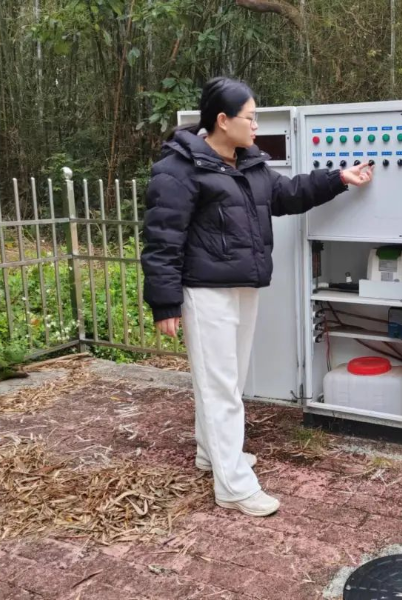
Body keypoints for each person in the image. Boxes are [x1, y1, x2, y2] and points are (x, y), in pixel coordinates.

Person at [141, 77, 373, 517]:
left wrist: (338, 178)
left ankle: (212, 453)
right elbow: (162, 238)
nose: (256, 125)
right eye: (250, 118)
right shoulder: (178, 170)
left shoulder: (248, 165)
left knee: (227, 382)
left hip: (243, 287)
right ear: (222, 120)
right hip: (204, 292)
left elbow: (289, 193)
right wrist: (165, 301)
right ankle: (233, 485)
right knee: (220, 387)